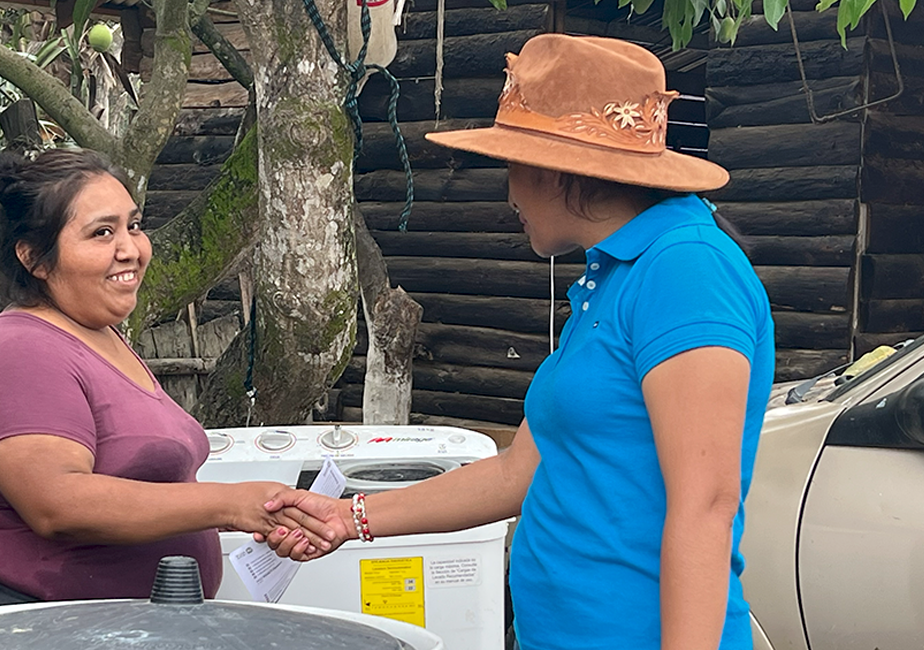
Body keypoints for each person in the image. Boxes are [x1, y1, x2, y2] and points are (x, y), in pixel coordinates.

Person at [259, 34, 775, 650]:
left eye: (510, 164)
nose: (508, 194)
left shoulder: (685, 270)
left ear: (558, 169)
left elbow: (706, 505)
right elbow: (519, 471)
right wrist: (349, 517)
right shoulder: (613, 273)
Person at [0, 148, 336, 609]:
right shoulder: (18, 348)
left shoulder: (100, 335)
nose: (130, 248)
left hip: (127, 628)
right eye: (101, 233)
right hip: (45, 628)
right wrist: (231, 505)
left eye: (133, 225)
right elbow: (59, 503)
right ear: (35, 258)